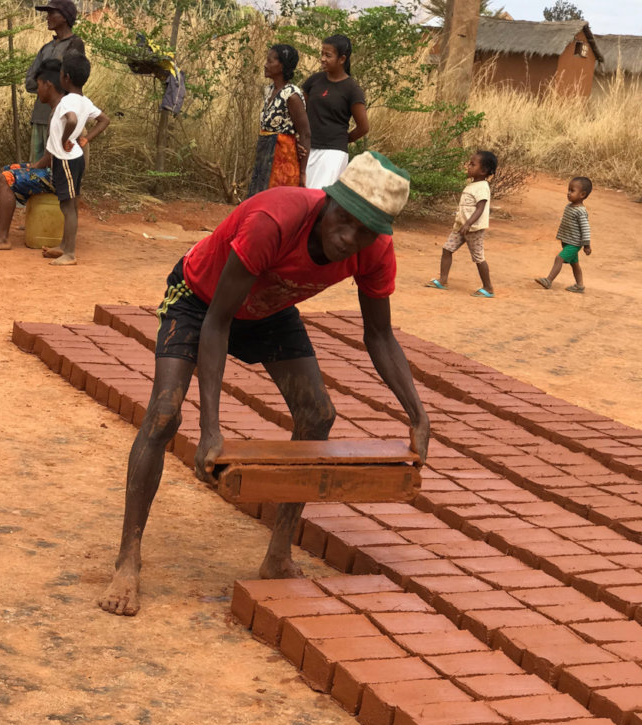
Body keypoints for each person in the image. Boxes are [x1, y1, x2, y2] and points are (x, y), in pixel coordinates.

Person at [98, 151, 430, 617]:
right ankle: (128, 559)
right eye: (346, 221)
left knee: (317, 414)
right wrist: (211, 429)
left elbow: (379, 334)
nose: (348, 239)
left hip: (270, 309)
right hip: (201, 299)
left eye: (366, 232)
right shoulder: (275, 219)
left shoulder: (373, 251)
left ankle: (278, 554)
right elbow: (217, 322)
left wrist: (418, 414)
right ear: (330, 201)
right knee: (164, 412)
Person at [0, 57, 109, 258]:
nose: (37, 91)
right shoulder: (71, 104)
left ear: (49, 84)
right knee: (7, 169)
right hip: (60, 168)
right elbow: (54, 151)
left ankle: (2, 237)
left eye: (39, 86)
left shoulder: (63, 108)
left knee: (6, 178)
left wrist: (42, 160)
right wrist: (33, 166)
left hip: (60, 172)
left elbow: (56, 150)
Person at [41, 51, 110, 266]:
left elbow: (70, 120)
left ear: (65, 78)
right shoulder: (85, 101)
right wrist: (86, 139)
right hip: (74, 158)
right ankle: (64, 246)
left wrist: (64, 139)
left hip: (66, 160)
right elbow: (104, 120)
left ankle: (69, 253)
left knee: (68, 206)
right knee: (69, 203)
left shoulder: (67, 102)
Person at [427, 150, 498, 298]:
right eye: (469, 163)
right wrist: (463, 224)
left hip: (473, 229)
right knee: (447, 249)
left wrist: (468, 224)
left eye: (473, 164)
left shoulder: (482, 187)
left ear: (484, 171)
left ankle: (488, 287)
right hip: (461, 227)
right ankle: (443, 280)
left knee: (478, 257)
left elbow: (480, 208)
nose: (469, 166)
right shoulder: (473, 185)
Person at [302, 34, 368, 190]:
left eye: (328, 55)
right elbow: (300, 111)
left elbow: (363, 127)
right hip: (308, 149)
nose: (323, 59)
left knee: (319, 198)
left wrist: (341, 140)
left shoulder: (352, 89)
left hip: (333, 154)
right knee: (302, 197)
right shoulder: (314, 81)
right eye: (322, 54)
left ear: (342, 59)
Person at [25, 0, 85, 163]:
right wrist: (51, 79)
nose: (47, 17)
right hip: (40, 116)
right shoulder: (46, 48)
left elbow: (72, 81)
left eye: (52, 13)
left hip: (63, 118)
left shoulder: (75, 44)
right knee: (37, 170)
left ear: (65, 17)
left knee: (59, 169)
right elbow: (29, 82)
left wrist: (44, 80)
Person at [247, 44, 310, 196]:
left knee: (275, 201)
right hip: (265, 154)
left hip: (283, 159)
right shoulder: (269, 91)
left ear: (282, 66)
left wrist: (302, 172)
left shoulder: (292, 95)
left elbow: (305, 133)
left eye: (270, 61)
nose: (265, 65)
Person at [535, 176, 592, 293]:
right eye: (568, 190)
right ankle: (580, 285)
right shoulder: (569, 207)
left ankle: (549, 280)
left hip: (574, 244)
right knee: (575, 264)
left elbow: (585, 229)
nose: (568, 193)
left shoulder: (581, 211)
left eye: (572, 191)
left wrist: (587, 245)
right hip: (567, 242)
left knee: (559, 258)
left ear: (582, 195)